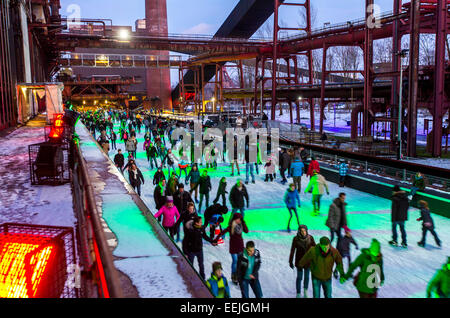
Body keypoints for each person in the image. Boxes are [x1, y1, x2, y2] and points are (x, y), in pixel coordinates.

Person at [213, 213, 249, 284]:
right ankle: (234, 277)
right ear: (234, 219)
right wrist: (216, 240)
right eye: (237, 219)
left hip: (240, 246)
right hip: (233, 247)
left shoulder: (241, 225)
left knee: (239, 262)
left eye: (240, 219)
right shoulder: (230, 227)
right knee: (235, 261)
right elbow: (221, 233)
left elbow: (246, 231)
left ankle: (239, 276)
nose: (239, 220)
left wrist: (243, 222)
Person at [289, 225, 316, 298]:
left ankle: (305, 291)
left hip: (308, 261)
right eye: (301, 231)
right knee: (299, 277)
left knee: (306, 277)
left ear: (306, 231)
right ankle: (298, 293)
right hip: (299, 261)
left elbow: (315, 249)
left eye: (304, 231)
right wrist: (290, 261)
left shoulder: (310, 238)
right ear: (299, 231)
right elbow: (292, 250)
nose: (303, 232)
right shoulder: (295, 239)